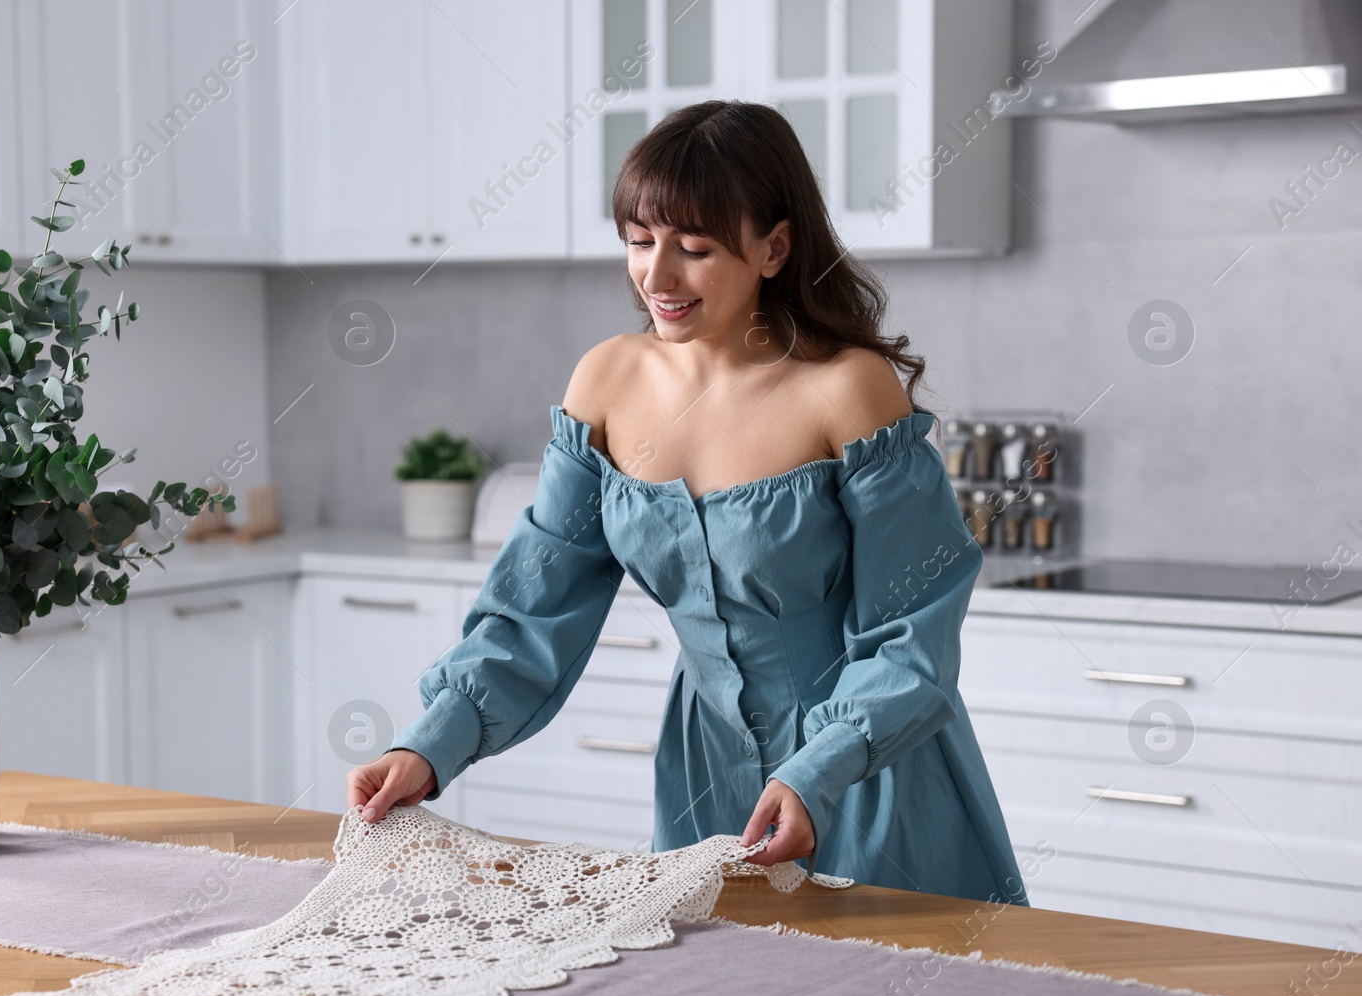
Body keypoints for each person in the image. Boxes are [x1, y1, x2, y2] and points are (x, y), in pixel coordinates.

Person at [348, 99, 1027, 907]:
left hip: (873, 771)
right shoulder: (605, 382)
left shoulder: (846, 390)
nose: (656, 277)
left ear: (774, 247)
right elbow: (536, 607)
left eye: (694, 249)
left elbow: (913, 629)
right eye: (638, 241)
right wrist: (431, 744)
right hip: (708, 777)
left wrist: (819, 770)